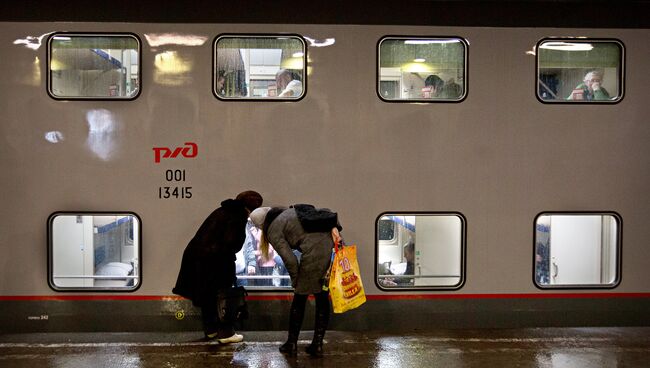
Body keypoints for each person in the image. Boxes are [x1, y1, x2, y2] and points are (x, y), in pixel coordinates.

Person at [250, 204, 342, 357]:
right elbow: (323, 211)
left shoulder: (273, 229)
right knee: (322, 296)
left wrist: (295, 280)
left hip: (316, 254)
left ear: (260, 225)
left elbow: (290, 260)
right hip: (333, 248)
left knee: (300, 298)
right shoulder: (288, 212)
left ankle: (292, 343)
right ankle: (317, 344)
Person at [172, 190, 263, 343]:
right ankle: (226, 333)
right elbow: (232, 242)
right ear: (251, 208)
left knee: (207, 296)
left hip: (199, 259)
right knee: (223, 296)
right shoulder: (238, 215)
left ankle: (211, 331)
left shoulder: (223, 210)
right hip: (215, 260)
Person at [235, 219, 258, 286]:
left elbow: (249, 246)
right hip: (226, 273)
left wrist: (251, 264)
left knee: (243, 294)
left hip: (241, 272)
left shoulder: (243, 229)